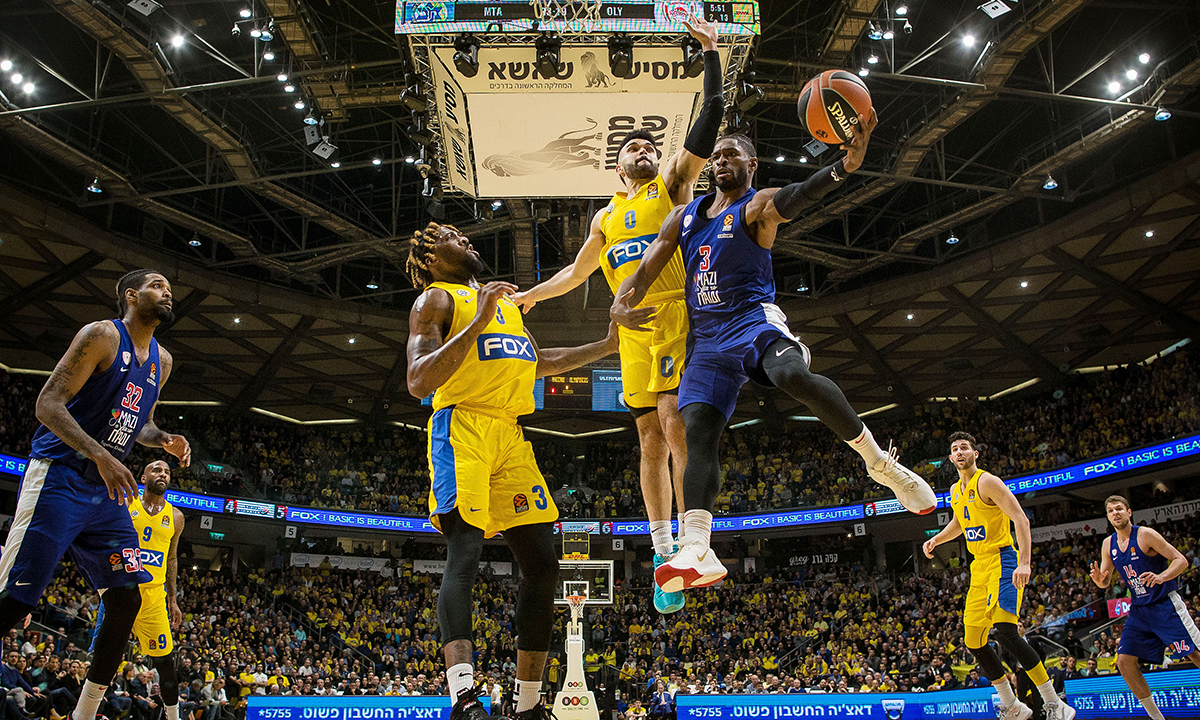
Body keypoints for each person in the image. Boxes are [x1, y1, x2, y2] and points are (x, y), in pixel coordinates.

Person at [610, 126, 937, 590]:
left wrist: (842, 168)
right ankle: (697, 546)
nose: (720, 161)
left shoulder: (757, 206)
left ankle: (879, 463)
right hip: (706, 341)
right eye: (716, 156)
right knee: (695, 429)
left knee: (790, 375)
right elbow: (649, 265)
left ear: (752, 165)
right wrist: (621, 301)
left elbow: (800, 195)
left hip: (751, 322)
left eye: (731, 155)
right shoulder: (683, 217)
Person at [511, 13, 723, 615]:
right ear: (617, 166)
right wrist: (531, 297)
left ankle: (695, 539)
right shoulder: (605, 217)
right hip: (633, 335)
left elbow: (708, 122)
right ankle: (662, 554)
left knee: (674, 424)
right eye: (635, 147)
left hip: (678, 320)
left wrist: (709, 55)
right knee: (649, 441)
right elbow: (575, 274)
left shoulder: (672, 187)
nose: (646, 150)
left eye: (651, 145)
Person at [405, 223, 618, 720]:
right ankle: (463, 697)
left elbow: (538, 362)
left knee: (543, 563)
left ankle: (528, 704)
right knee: (465, 552)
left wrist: (606, 346)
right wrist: (477, 320)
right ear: (431, 258)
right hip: (462, 427)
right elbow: (418, 380)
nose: (466, 239)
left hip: (509, 433)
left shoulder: (504, 305)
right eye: (451, 236)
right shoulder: (436, 300)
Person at [0, 269, 191, 720]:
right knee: (18, 600)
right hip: (60, 476)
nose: (167, 293)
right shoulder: (102, 335)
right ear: (131, 295)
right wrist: (101, 454)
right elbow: (47, 404)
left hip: (106, 494)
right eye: (157, 286)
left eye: (170, 289)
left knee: (126, 601)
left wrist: (163, 438)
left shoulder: (162, 361)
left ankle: (83, 715)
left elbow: (140, 422)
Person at [924, 432, 1075, 720]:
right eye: (955, 449)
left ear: (975, 454)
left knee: (1005, 631)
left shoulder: (988, 482)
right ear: (950, 457)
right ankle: (1012, 705)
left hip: (1003, 560)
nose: (960, 452)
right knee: (974, 641)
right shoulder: (955, 490)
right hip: (979, 567)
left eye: (964, 447)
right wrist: (937, 540)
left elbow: (1020, 518)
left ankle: (1054, 702)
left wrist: (1024, 563)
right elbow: (960, 522)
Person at [1088, 494, 1200, 720]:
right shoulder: (1108, 544)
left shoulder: (1145, 535)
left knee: (1195, 654)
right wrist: (1100, 580)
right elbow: (1105, 581)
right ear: (1108, 517)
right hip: (1139, 610)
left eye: (1119, 509)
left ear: (1129, 512)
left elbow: (1181, 560)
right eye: (1111, 511)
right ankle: (1156, 717)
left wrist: (1161, 576)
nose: (1115, 513)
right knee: (1124, 662)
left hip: (1165, 605)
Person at [94, 460, 186, 720]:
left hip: (153, 598)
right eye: (157, 470)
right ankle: (88, 713)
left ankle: (173, 717)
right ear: (143, 478)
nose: (163, 474)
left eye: (167, 471)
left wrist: (173, 600)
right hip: (121, 592)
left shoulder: (176, 517)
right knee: (103, 659)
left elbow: (171, 559)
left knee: (165, 663)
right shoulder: (125, 503)